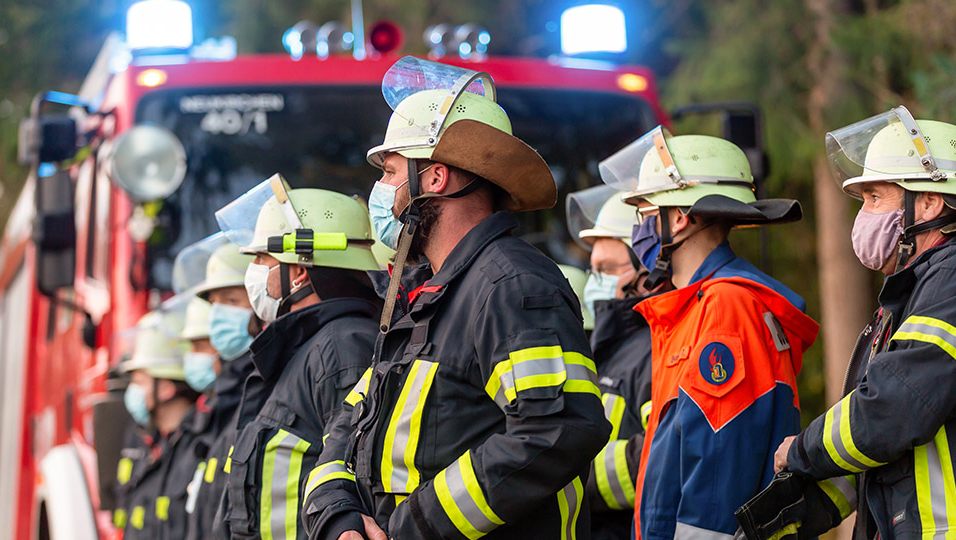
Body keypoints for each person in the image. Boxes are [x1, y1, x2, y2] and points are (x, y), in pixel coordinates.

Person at [304, 56, 610, 540]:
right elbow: (349, 424)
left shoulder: (512, 285)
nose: (379, 192)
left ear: (435, 177)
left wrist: (413, 526)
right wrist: (341, 517)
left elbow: (556, 430)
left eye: (388, 172)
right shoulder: (423, 297)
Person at [599, 126, 820, 540]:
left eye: (646, 213)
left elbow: (718, 469)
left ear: (680, 218)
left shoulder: (726, 308)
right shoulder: (700, 305)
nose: (640, 229)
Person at [761, 107, 956, 540]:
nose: (863, 215)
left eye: (874, 198)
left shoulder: (950, 282)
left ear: (928, 201)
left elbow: (892, 409)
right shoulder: (908, 295)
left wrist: (802, 451)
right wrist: (800, 508)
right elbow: (877, 451)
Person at [211, 179, 381, 540]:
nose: (254, 270)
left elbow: (356, 483)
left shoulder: (343, 347)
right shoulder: (304, 349)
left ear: (300, 271)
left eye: (262, 258)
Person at [567, 186, 662, 539]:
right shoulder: (609, 348)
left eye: (607, 269)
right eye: (593, 270)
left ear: (648, 269)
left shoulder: (655, 350)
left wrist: (569, 479)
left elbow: (662, 459)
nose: (595, 282)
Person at [179, 236, 260, 540]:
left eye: (231, 301)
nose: (219, 317)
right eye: (215, 305)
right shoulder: (228, 396)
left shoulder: (260, 384)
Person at [117, 309, 202, 540]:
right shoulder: (144, 440)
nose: (132, 391)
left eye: (140, 381)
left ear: (166, 389)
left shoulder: (201, 446)